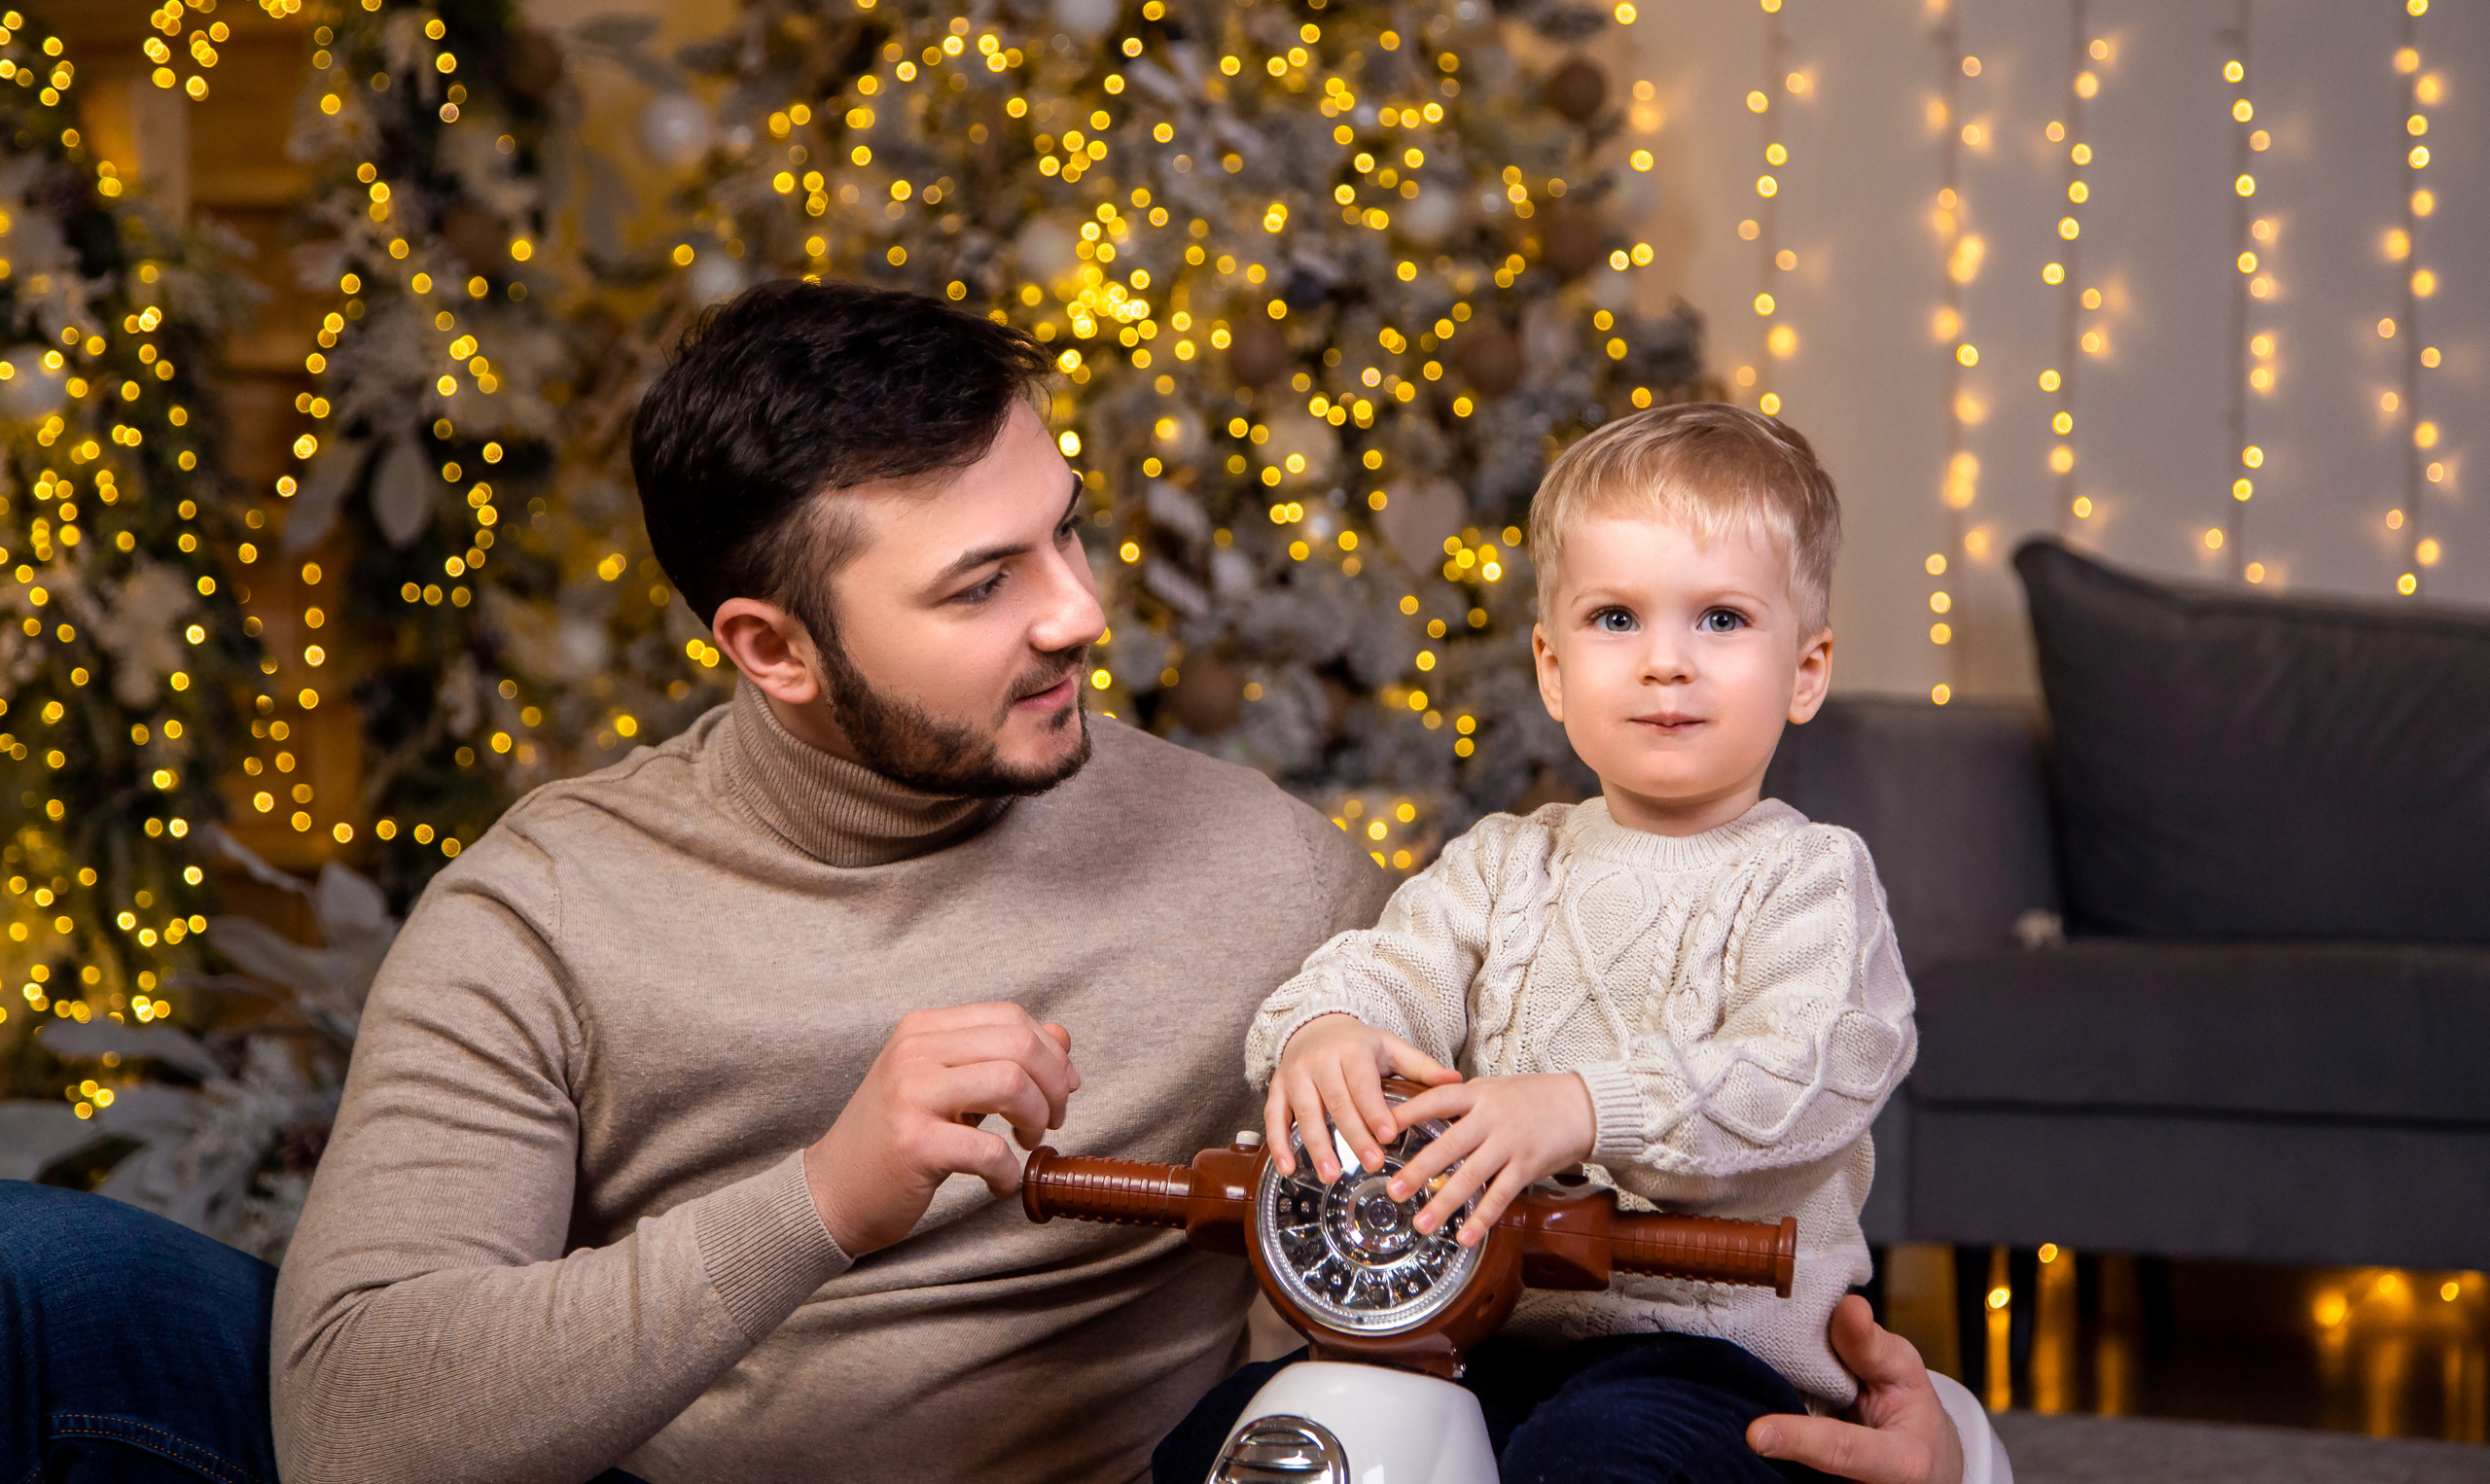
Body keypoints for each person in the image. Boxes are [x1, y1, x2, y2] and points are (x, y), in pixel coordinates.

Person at [0, 282, 1987, 1484]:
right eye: (981, 586)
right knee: (46, 1276)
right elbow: (353, 1425)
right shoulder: (544, 909)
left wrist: (1915, 1432)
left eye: (1060, 532)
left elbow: (1593, 1179)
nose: (1082, 613)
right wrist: (820, 1201)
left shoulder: (1269, 870)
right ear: (771, 645)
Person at [1163, 404, 1913, 1482]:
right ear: (1552, 670)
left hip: (1704, 1352)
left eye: (1719, 620)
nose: (1665, 662)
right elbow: (1398, 964)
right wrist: (1331, 1028)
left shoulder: (1809, 879)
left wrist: (1581, 1106)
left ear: (1805, 669)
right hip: (1476, 1324)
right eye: (1616, 620)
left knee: (1597, 1457)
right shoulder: (1504, 861)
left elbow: (1810, 1071)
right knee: (1233, 1431)